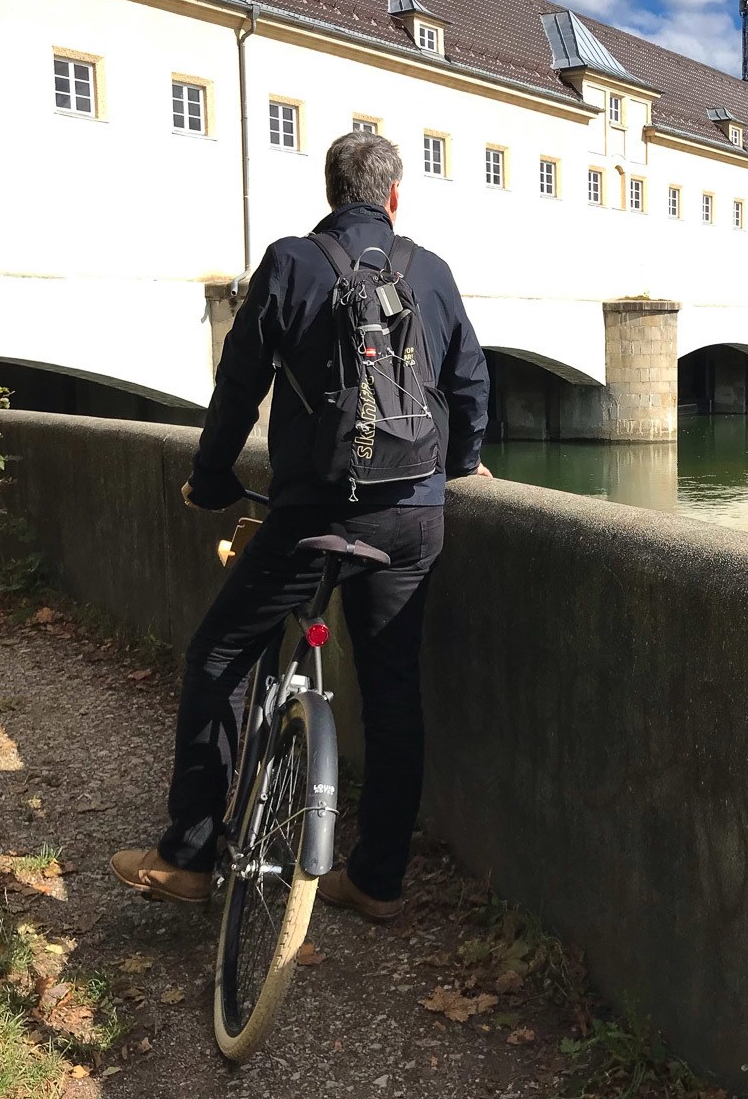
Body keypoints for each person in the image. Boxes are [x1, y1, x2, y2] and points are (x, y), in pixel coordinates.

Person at [111, 130, 490, 920]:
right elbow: (471, 383)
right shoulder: (435, 272)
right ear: (393, 198)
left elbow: (238, 387)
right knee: (393, 693)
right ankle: (378, 880)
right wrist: (458, 466)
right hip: (414, 522)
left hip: (316, 514)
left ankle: (188, 854)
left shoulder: (290, 262)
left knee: (219, 654)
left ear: (330, 194)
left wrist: (212, 479)